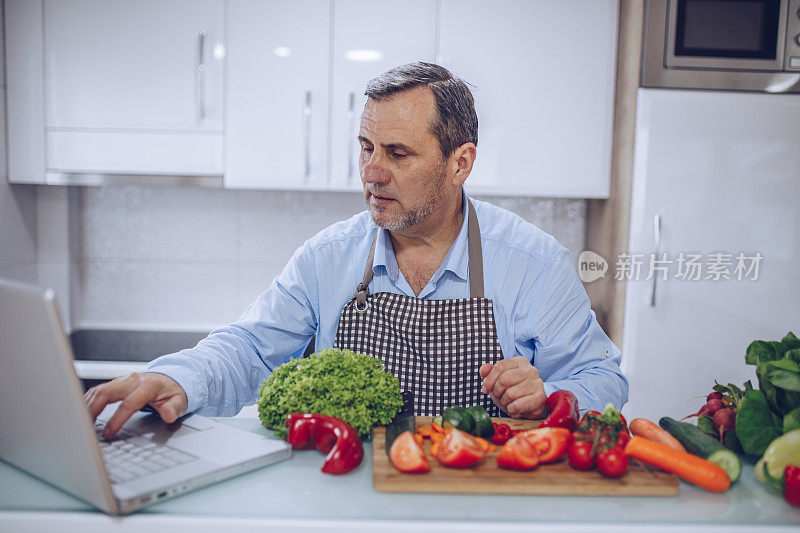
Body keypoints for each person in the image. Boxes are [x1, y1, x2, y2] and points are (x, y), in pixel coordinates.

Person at [85, 62, 628, 438]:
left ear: (460, 162)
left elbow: (603, 377)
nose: (371, 173)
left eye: (397, 154)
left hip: (480, 493)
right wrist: (178, 378)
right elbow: (249, 349)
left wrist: (555, 394)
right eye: (366, 148)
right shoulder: (328, 257)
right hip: (345, 490)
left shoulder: (533, 264)